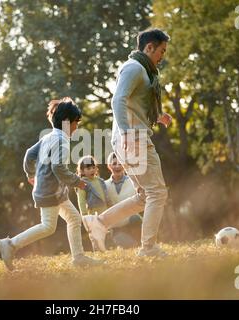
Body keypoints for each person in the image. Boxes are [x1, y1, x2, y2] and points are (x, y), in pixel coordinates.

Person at [82, 28, 173, 257]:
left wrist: (157, 116)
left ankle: (100, 223)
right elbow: (117, 100)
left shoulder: (146, 71)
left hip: (134, 136)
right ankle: (148, 248)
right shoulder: (134, 68)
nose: (162, 55)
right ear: (149, 47)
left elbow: (134, 103)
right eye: (161, 51)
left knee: (145, 195)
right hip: (134, 138)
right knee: (157, 193)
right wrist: (126, 134)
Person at [0, 97, 102, 270]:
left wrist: (30, 174)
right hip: (49, 192)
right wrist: (77, 182)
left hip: (54, 191)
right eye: (76, 123)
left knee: (74, 219)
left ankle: (79, 258)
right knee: (48, 226)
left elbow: (29, 154)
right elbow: (58, 167)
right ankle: (11, 244)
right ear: (67, 122)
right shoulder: (62, 141)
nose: (77, 127)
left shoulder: (49, 137)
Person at [105, 152, 142, 248]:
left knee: (139, 244)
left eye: (120, 163)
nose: (117, 166)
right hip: (116, 227)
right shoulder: (104, 185)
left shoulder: (133, 181)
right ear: (109, 166)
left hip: (133, 223)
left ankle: (142, 243)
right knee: (130, 246)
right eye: (114, 164)